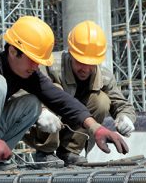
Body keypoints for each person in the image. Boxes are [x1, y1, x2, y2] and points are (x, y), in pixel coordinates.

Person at [0, 16, 129, 171]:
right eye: (33, 59)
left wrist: (95, 128)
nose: (37, 65)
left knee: (32, 103)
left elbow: (60, 100)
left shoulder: (27, 72)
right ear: (14, 51)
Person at [23, 20, 136, 166]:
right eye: (80, 62)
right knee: (54, 90)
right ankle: (46, 152)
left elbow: (122, 104)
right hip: (43, 127)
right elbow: (23, 90)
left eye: (90, 64)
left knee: (101, 100)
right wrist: (41, 111)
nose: (85, 68)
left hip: (76, 125)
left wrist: (125, 117)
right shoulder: (50, 66)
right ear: (70, 53)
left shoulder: (104, 77)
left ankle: (69, 151)